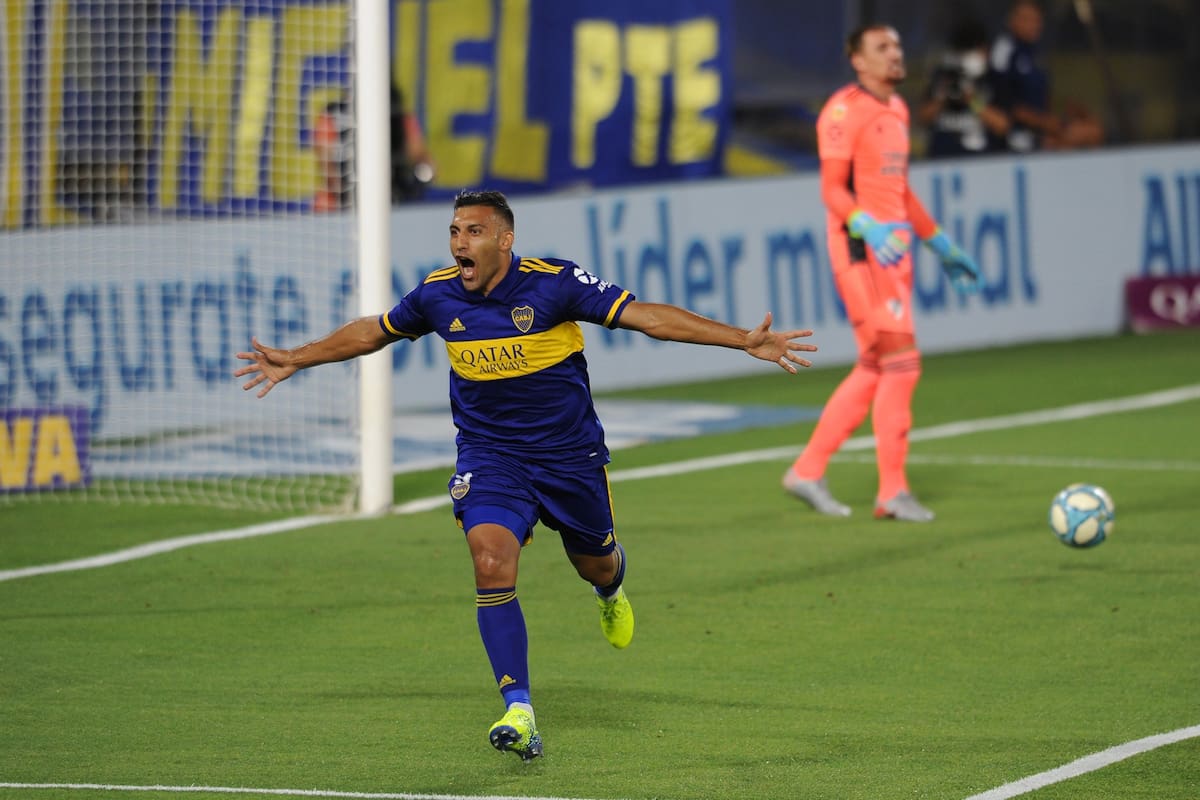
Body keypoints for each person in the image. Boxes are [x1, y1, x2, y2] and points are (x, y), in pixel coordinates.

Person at [235, 189, 818, 761]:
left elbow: (648, 317)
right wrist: (299, 357)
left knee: (595, 559)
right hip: (492, 457)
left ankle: (610, 588)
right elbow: (374, 330)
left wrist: (742, 339)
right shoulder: (437, 296)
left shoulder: (553, 283)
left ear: (505, 241)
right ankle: (519, 708)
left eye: (475, 232)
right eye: (455, 231)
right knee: (489, 560)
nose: (460, 242)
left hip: (570, 458)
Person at [781, 23, 982, 523]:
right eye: (882, 48)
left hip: (896, 253)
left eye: (897, 45)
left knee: (876, 364)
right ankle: (892, 491)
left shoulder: (897, 109)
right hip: (861, 250)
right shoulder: (843, 111)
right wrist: (867, 227)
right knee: (902, 362)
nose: (895, 54)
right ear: (858, 59)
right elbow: (833, 190)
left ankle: (808, 470)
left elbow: (899, 189)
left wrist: (939, 241)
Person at [987, 0, 1103, 153]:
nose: (1034, 25)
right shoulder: (1003, 50)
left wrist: (1062, 115)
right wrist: (1045, 123)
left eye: (1037, 20)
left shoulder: (1034, 52)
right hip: (1015, 134)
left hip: (1040, 129)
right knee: (1070, 142)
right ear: (1012, 20)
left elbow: (1043, 96)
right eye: (1027, 19)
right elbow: (1003, 103)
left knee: (1092, 130)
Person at [918, 19, 1010, 158]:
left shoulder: (992, 78)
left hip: (981, 162)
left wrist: (972, 100)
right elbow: (923, 118)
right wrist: (943, 97)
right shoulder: (944, 75)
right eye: (964, 52)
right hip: (942, 159)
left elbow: (1002, 125)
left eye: (974, 51)